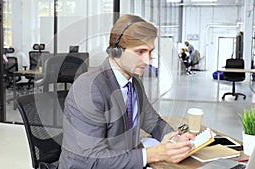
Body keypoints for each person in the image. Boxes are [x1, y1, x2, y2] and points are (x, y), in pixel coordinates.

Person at [59, 14, 194, 169]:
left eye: (150, 52)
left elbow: (153, 122)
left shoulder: (134, 83)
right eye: (140, 52)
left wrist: (174, 138)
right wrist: (154, 154)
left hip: (124, 161)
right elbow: (91, 160)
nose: (148, 61)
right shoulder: (88, 88)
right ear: (116, 51)